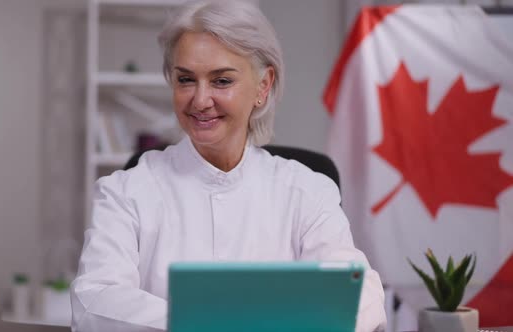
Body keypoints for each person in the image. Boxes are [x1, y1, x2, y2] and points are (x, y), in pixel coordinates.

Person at [71, 1, 387, 331]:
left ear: (263, 87)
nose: (200, 99)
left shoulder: (307, 190)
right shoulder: (125, 191)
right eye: (185, 79)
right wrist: (217, 322)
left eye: (221, 81)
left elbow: (359, 292)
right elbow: (95, 301)